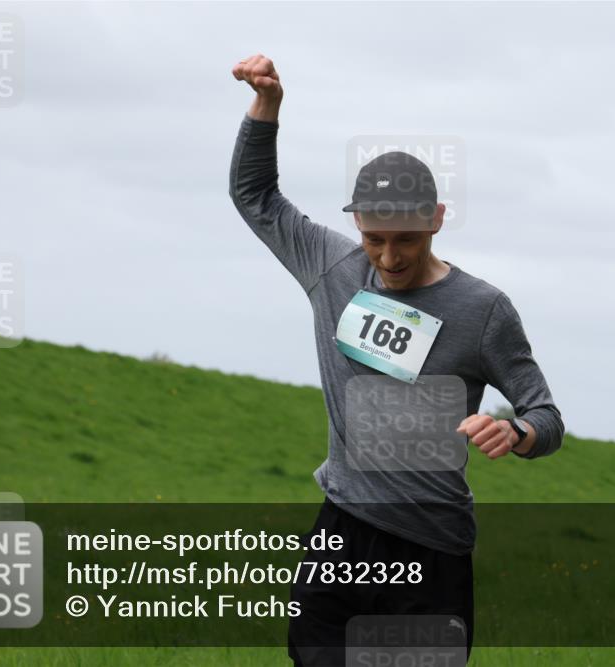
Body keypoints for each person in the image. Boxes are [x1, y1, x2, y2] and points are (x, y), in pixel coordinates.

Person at [229, 53, 565, 666]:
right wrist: (267, 108)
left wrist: (514, 430)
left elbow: (546, 416)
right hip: (341, 531)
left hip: (431, 547)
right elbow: (254, 195)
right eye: (374, 237)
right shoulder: (332, 268)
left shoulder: (483, 309)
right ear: (356, 223)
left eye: (406, 238)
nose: (389, 256)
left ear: (436, 220)